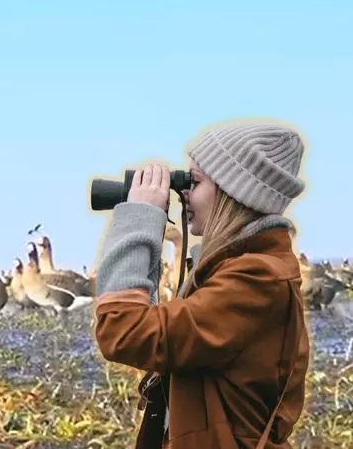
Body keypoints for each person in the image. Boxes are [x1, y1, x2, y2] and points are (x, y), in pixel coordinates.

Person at [93, 120, 310, 449]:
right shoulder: (241, 271)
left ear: (231, 192)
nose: (183, 193)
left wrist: (139, 218)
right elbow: (161, 334)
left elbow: (123, 331)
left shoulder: (257, 279)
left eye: (193, 181)